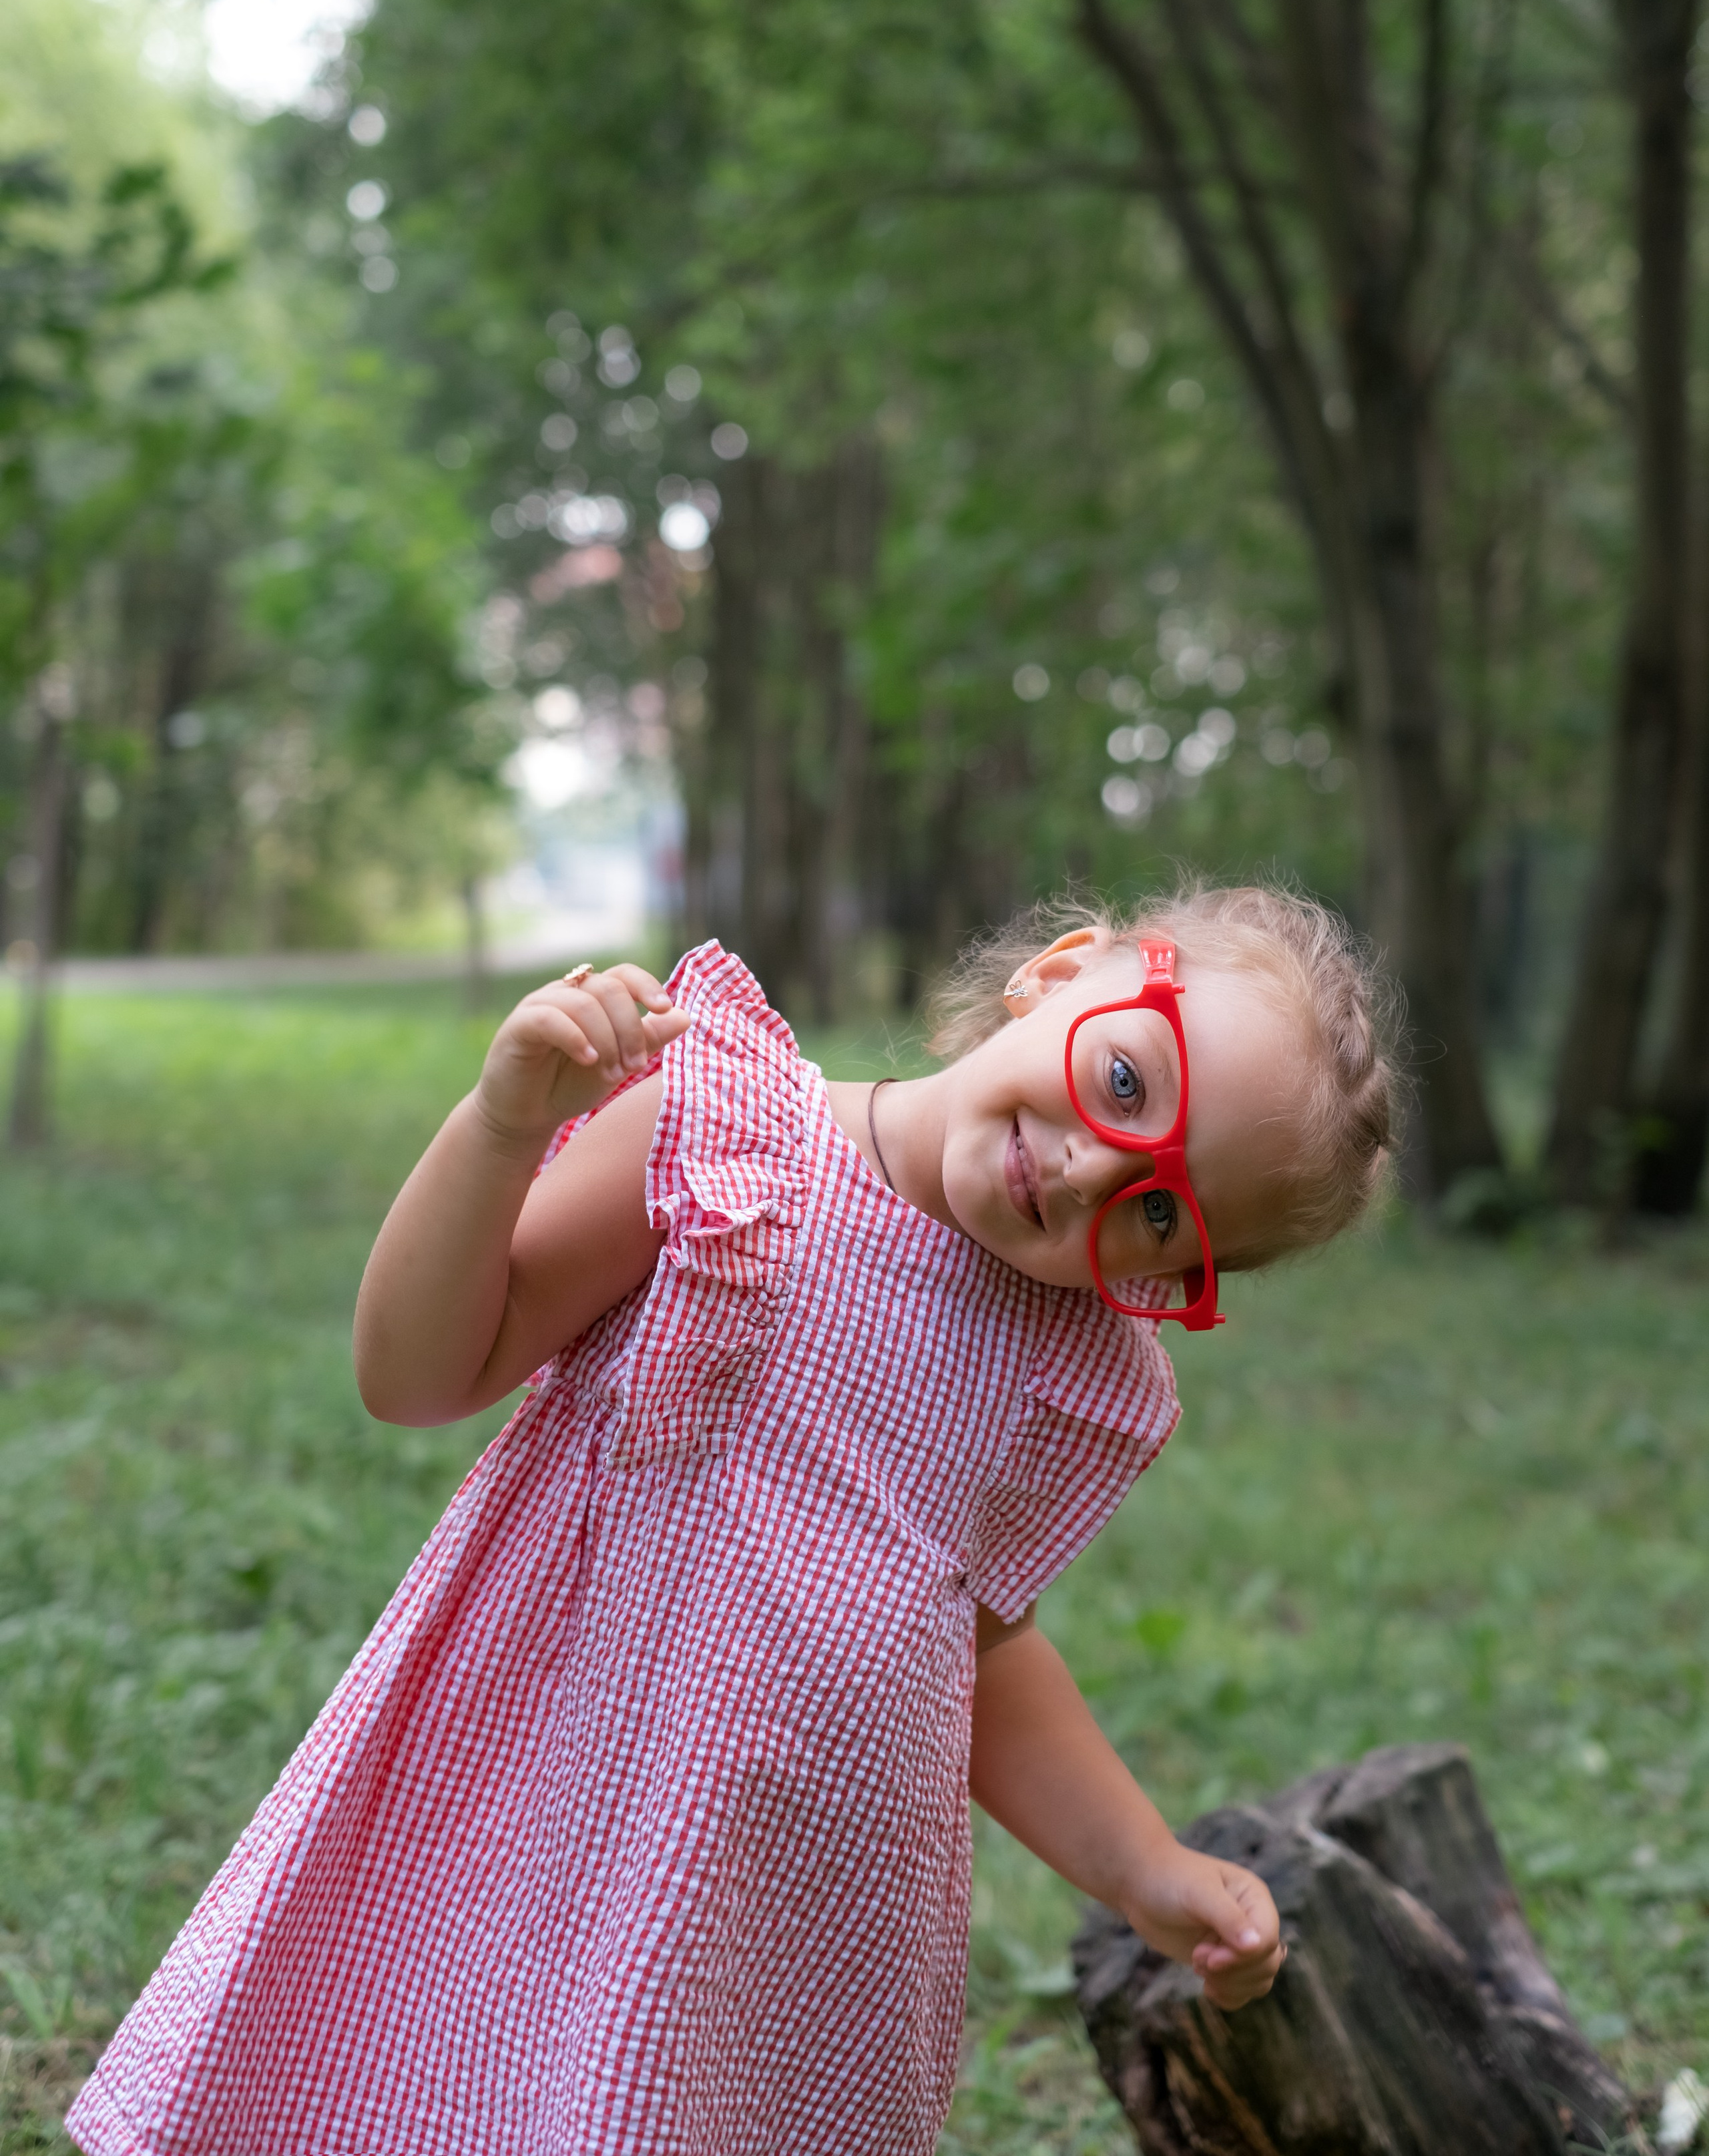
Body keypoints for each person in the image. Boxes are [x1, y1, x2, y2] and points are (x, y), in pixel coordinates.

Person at [68, 884, 1397, 2156]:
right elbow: (419, 1373)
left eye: (1158, 1214)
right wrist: (496, 1128)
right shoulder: (730, 1140)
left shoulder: (1070, 1374)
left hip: (779, 1909)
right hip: (551, 1794)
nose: (1093, 1167)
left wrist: (1140, 1868)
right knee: (458, 2082)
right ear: (1059, 977)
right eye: (1125, 1084)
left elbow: (984, 1650)